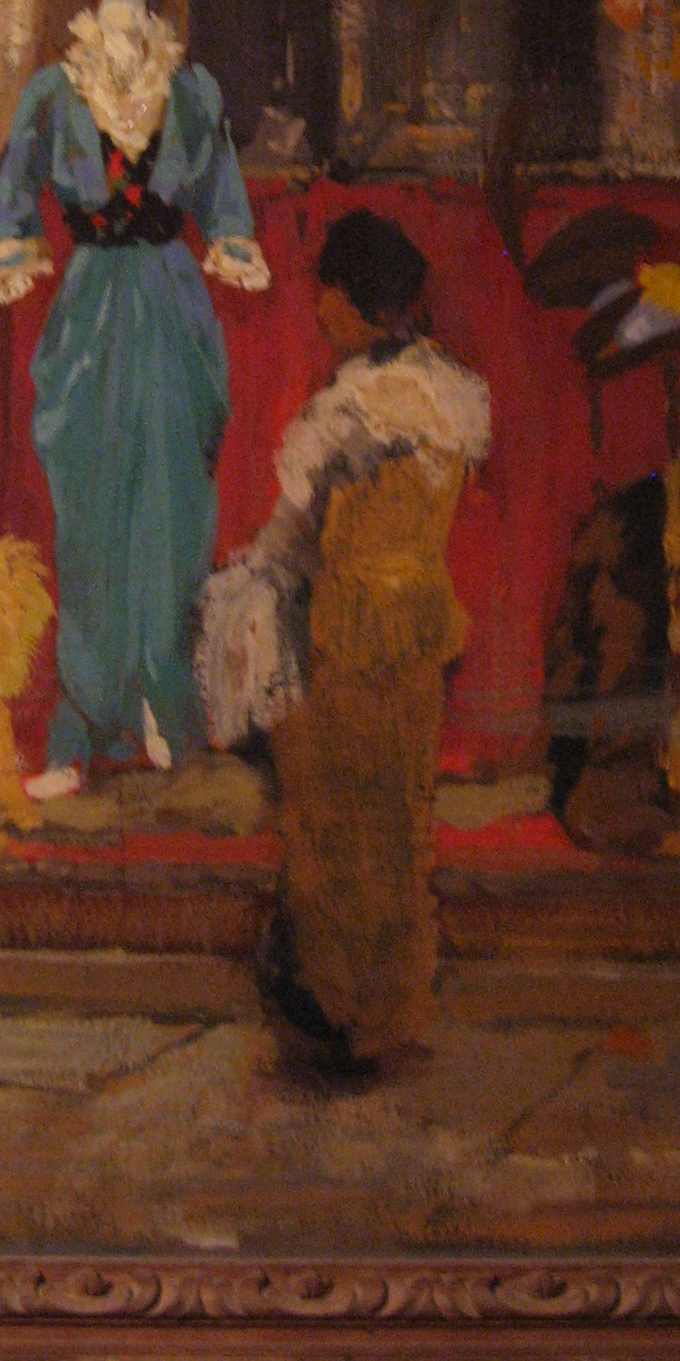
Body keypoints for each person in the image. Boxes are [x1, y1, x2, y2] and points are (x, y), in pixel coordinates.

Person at [197, 210, 490, 1063]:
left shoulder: (338, 415)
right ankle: (398, 999)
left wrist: (240, 582)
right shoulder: (455, 396)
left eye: (327, 291)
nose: (319, 307)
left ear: (356, 301)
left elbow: (292, 539)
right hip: (421, 622)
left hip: (348, 628)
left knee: (330, 817)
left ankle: (337, 999)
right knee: (400, 819)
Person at [0, 0, 269, 794]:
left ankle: (166, 706)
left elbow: (223, 196)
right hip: (91, 309)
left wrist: (231, 240)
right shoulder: (53, 90)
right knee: (90, 514)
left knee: (175, 507)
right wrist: (14, 246)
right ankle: (83, 723)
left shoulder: (190, 90)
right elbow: (14, 189)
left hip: (173, 305)